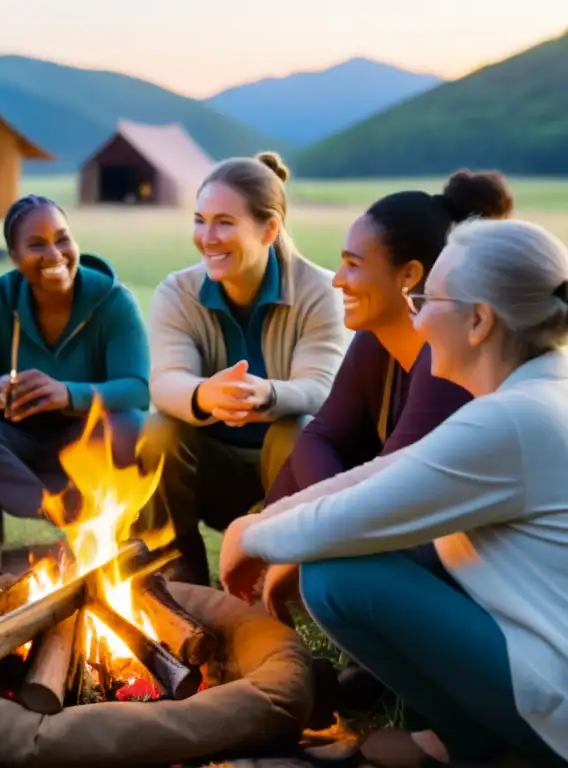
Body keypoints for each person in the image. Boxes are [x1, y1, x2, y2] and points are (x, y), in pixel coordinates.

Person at [220, 218, 568, 767]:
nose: (419, 315)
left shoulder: (514, 419)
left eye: (425, 297)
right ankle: (463, 741)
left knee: (341, 574)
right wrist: (264, 524)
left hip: (557, 702)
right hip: (547, 662)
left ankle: (479, 746)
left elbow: (356, 517)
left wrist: (257, 539)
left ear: (478, 321)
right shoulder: (536, 394)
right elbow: (388, 475)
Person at [260, 170, 514, 629]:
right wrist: (283, 530)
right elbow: (318, 437)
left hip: (488, 596)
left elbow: (384, 502)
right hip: (406, 538)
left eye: (354, 265)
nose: (337, 280)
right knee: (301, 447)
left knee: (332, 562)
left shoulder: (447, 368)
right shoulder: (378, 342)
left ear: (410, 275)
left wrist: (296, 536)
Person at [139, 152, 347, 586]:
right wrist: (203, 395)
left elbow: (322, 386)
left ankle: (283, 576)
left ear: (270, 228)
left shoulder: (320, 292)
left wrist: (267, 394)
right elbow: (164, 381)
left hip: (283, 476)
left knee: (299, 430)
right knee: (157, 429)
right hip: (211, 470)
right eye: (199, 220)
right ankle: (179, 566)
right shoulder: (178, 292)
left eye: (224, 222)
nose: (207, 237)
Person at [0, 195, 150, 574]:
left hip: (79, 442)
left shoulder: (113, 301)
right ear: (15, 257)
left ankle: (104, 526)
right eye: (37, 244)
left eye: (62, 238)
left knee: (134, 425)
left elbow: (136, 389)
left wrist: (69, 394)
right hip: (11, 441)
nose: (54, 254)